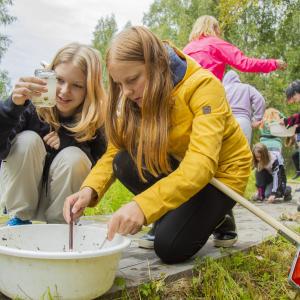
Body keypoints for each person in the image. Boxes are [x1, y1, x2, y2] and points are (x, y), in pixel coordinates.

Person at [63, 26, 252, 264]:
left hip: (221, 176)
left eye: (132, 80)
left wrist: (142, 207)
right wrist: (88, 190)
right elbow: (114, 152)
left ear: (157, 64)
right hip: (180, 165)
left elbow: (201, 166)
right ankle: (188, 215)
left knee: (169, 247)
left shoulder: (204, 87)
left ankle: (217, 214)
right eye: (120, 84)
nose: (127, 92)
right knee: (123, 161)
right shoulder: (138, 95)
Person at [0, 43, 107, 225]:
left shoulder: (94, 123)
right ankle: (19, 220)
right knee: (27, 140)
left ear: (89, 89)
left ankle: (61, 226)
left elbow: (99, 171)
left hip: (61, 202)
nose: (65, 91)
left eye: (77, 85)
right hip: (21, 194)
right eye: (59, 80)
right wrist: (11, 107)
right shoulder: (29, 107)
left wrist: (68, 142)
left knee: (75, 157)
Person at [183, 15, 287, 81]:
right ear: (214, 28)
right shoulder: (215, 43)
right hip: (207, 91)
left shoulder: (186, 49)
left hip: (185, 96)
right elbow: (244, 63)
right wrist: (274, 63)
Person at [223, 70, 265, 144]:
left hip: (227, 122)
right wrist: (256, 119)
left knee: (227, 154)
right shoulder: (247, 88)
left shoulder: (222, 89)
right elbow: (260, 99)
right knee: (243, 153)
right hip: (244, 122)